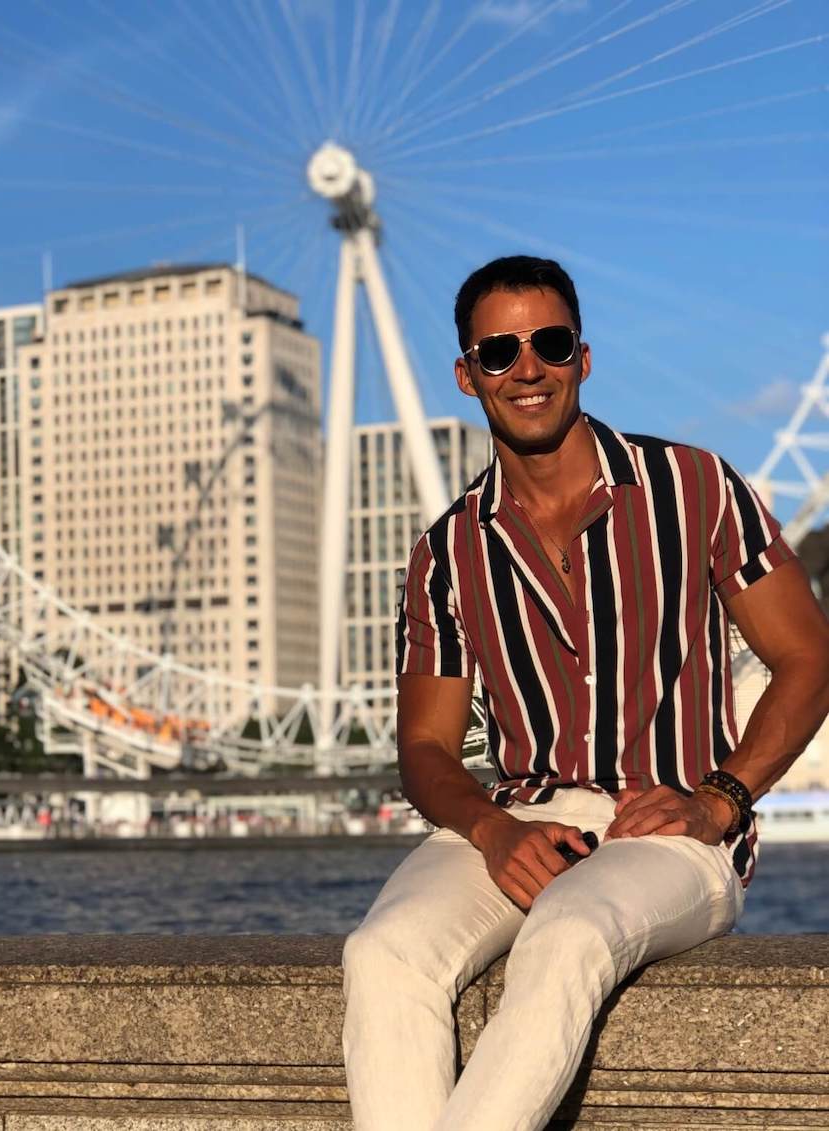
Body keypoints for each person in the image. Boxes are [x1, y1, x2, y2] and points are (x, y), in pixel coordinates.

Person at [340, 255, 829, 1131]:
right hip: (518, 818)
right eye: (499, 352)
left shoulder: (695, 487)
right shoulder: (445, 551)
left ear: (583, 358)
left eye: (550, 342)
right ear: (466, 374)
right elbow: (424, 749)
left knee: (566, 936)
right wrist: (491, 828)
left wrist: (720, 800)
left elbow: (809, 656)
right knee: (383, 954)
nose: (526, 368)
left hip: (672, 831)